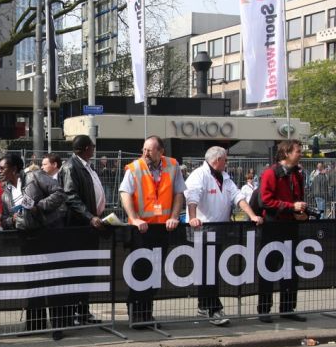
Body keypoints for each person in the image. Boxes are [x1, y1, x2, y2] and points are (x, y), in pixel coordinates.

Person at [185, 146, 263, 327]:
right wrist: (193, 217)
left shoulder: (225, 177)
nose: (227, 163)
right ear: (217, 160)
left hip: (219, 230)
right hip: (203, 230)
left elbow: (238, 197)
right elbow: (192, 197)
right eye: (225, 160)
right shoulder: (199, 175)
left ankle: (204, 306)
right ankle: (213, 308)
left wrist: (252, 215)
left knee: (210, 270)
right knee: (207, 271)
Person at [0, 152, 69, 340]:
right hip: (27, 240)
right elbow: (4, 219)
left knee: (53, 281)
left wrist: (39, 207)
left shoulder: (34, 177)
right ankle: (35, 325)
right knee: (33, 283)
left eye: (3, 168)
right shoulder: (5, 193)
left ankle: (58, 326)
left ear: (14, 169)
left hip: (48, 235)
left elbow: (59, 193)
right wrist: (12, 220)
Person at [119, 135, 185, 326]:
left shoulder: (172, 166)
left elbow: (179, 193)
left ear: (161, 151)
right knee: (140, 270)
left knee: (155, 272)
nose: (145, 153)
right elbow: (125, 194)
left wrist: (174, 217)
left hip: (162, 228)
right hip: (141, 229)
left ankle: (147, 314)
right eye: (144, 149)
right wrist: (134, 218)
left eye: (149, 150)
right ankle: (135, 313)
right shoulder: (135, 168)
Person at [257, 139, 309, 323]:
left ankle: (287, 308)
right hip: (273, 226)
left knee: (291, 268)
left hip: (290, 226)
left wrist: (301, 213)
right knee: (269, 268)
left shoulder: (297, 174)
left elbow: (297, 198)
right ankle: (264, 309)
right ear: (286, 153)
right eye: (297, 151)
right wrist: (291, 207)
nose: (300, 154)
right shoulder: (271, 173)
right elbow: (265, 201)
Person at [58, 135, 105, 326]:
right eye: (92, 146)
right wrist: (90, 216)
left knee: (87, 270)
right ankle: (72, 313)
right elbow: (70, 196)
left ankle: (83, 311)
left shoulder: (86, 166)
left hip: (90, 226)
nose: (94, 149)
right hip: (78, 228)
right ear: (86, 148)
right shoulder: (71, 167)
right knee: (76, 271)